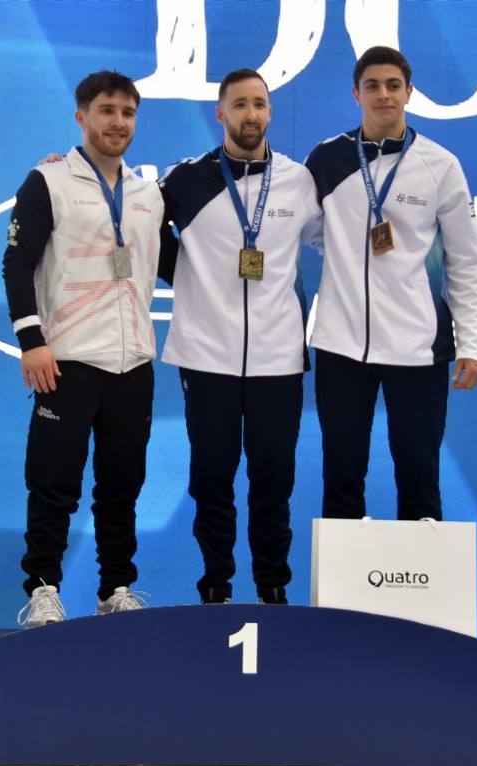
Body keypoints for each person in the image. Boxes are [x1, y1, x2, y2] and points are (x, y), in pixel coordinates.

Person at [2, 70, 166, 627]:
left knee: (122, 487)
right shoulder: (47, 181)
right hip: (65, 361)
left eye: (127, 113)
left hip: (133, 361)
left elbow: (174, 262)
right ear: (81, 117)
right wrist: (32, 340)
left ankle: (115, 589)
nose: (118, 122)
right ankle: (43, 589)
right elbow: (17, 262)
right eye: (106, 111)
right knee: (53, 484)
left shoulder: (148, 194)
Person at [304, 46, 477, 521]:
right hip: (342, 346)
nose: (383, 95)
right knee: (341, 478)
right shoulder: (326, 159)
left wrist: (474, 345)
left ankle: (419, 573)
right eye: (372, 86)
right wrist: (347, 253)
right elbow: (309, 231)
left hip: (418, 348)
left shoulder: (439, 165)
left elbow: (467, 261)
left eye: (393, 85)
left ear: (409, 92)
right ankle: (343, 575)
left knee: (419, 479)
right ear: (356, 94)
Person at [159, 69, 323, 604]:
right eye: (239, 104)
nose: (250, 114)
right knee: (212, 481)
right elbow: (133, 219)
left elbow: (337, 238)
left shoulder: (299, 181)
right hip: (206, 358)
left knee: (274, 484)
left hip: (279, 358)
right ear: (220, 113)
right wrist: (188, 274)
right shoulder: (185, 180)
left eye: (259, 104)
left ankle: (273, 588)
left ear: (269, 112)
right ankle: (216, 588)